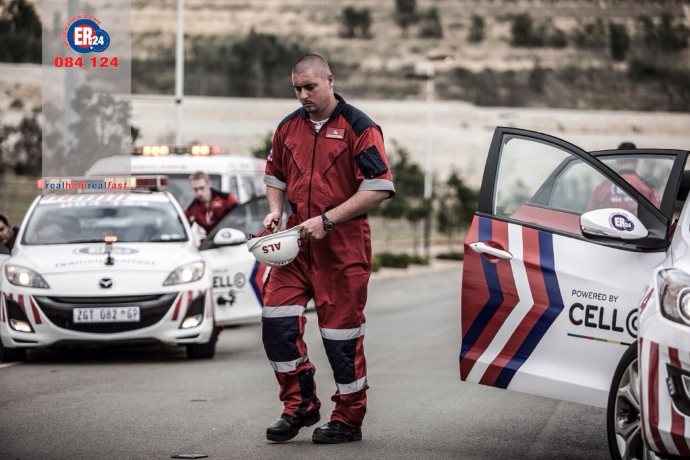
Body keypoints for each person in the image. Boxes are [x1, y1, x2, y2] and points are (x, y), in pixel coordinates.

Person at [261, 54, 395, 444]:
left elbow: (379, 187)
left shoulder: (360, 127)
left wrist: (329, 220)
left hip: (343, 248)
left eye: (310, 87)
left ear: (329, 80)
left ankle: (348, 419)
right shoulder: (287, 128)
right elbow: (275, 176)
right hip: (295, 245)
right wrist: (274, 212)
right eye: (297, 89)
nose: (302, 95)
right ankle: (299, 405)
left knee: (341, 338)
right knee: (276, 321)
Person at [585, 142, 659, 213]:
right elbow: (659, 218)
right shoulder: (647, 187)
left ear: (617, 161)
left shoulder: (602, 187)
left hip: (608, 225)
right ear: (636, 160)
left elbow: (588, 215)